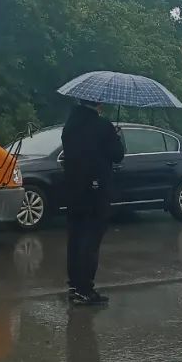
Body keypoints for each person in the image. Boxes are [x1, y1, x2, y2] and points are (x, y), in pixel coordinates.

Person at [62, 98, 125, 306]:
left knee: (75, 238)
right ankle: (85, 290)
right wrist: (117, 136)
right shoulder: (102, 126)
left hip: (72, 190)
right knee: (91, 241)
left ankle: (74, 286)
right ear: (99, 104)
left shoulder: (70, 125)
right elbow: (118, 155)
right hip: (96, 192)